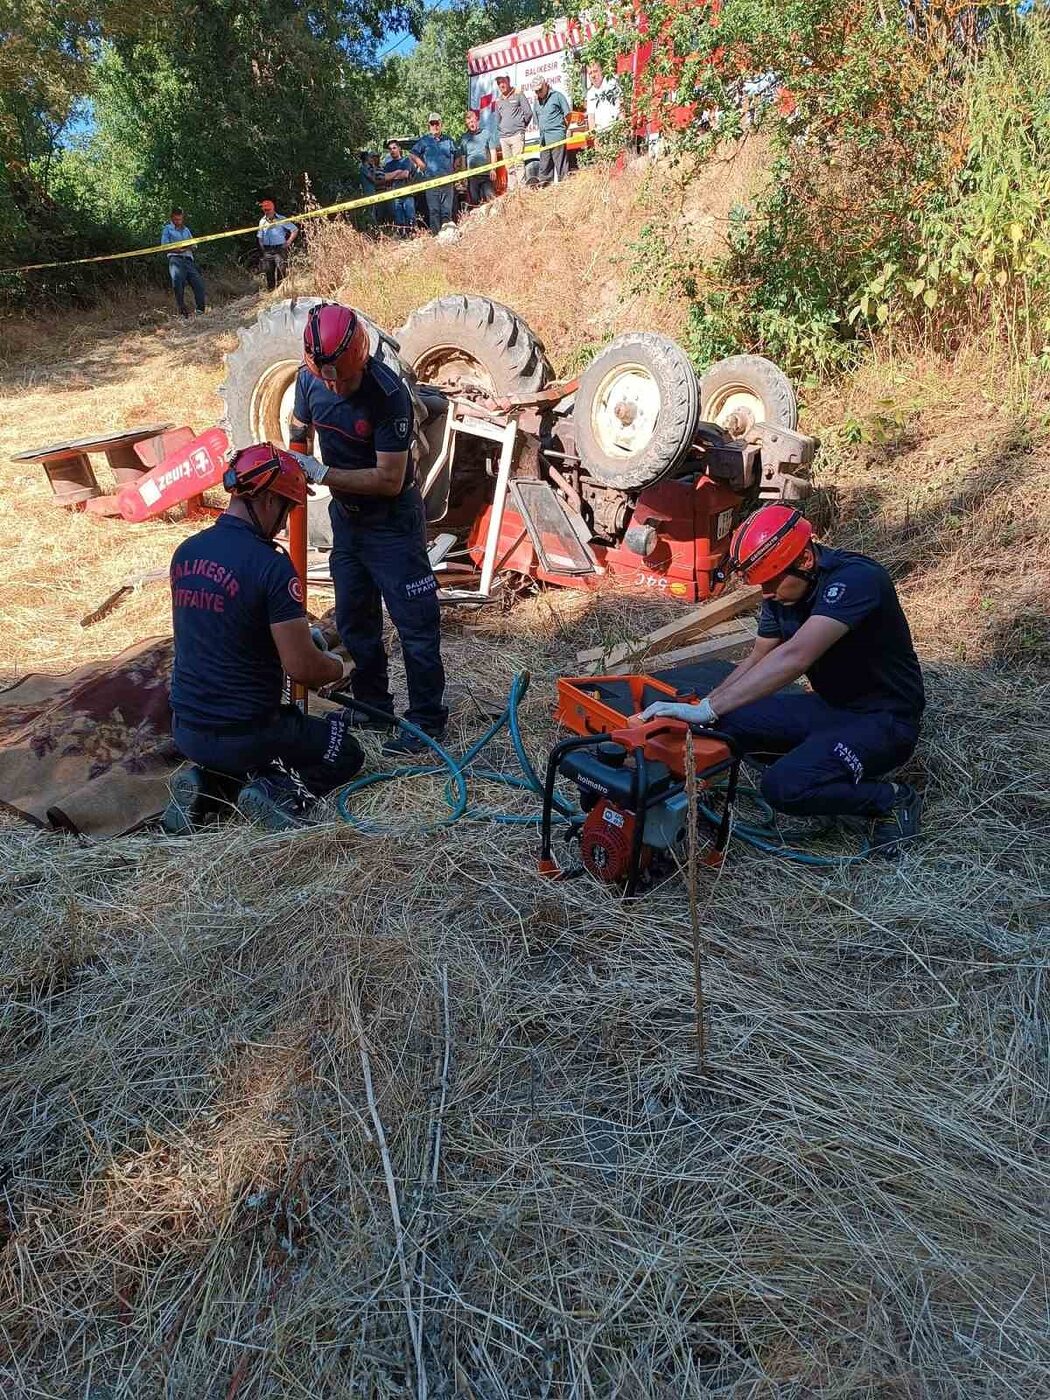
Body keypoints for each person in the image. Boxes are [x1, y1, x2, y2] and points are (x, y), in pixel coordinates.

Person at [634, 505, 925, 856]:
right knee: (727, 720)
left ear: (804, 560)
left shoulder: (857, 580)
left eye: (771, 582)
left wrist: (709, 708)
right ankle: (816, 756)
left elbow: (796, 655)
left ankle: (891, 799)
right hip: (830, 707)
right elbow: (758, 657)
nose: (766, 594)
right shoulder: (784, 590)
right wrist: (704, 709)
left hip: (885, 721)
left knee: (785, 786)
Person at [164, 443, 363, 834]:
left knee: (247, 749)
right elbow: (303, 668)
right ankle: (280, 791)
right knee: (345, 750)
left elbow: (228, 628)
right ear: (269, 499)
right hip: (247, 730)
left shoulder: (186, 552)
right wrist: (337, 665)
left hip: (186, 727)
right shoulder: (271, 566)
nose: (286, 521)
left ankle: (207, 786)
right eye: (287, 508)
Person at [287, 302, 447, 755]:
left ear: (359, 357)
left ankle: (427, 720)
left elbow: (388, 479)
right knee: (355, 618)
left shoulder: (387, 393)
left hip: (392, 524)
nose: (334, 385)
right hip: (348, 521)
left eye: (343, 377)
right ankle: (373, 703)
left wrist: (321, 474)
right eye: (327, 377)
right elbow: (298, 432)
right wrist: (293, 461)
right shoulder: (309, 379)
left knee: (416, 625)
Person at [410, 113, 457, 232]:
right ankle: (436, 237)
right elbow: (412, 154)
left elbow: (458, 155)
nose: (435, 126)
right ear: (429, 126)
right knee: (434, 211)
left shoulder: (449, 140)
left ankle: (447, 236)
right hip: (431, 182)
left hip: (447, 182)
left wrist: (456, 169)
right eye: (432, 124)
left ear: (441, 124)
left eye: (437, 123)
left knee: (447, 212)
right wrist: (422, 165)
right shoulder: (424, 141)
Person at [160, 207, 206, 317]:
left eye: (180, 219)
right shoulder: (167, 229)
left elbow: (194, 244)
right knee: (177, 283)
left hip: (188, 260)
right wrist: (177, 249)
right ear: (171, 218)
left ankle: (200, 311)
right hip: (175, 259)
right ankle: (182, 312)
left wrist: (189, 247)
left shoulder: (186, 230)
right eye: (176, 220)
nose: (178, 222)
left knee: (198, 284)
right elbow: (164, 246)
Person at [493, 73, 532, 191]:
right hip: (504, 138)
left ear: (508, 81)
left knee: (519, 163)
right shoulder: (498, 100)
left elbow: (528, 113)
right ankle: (513, 192)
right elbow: (497, 119)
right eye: (499, 83)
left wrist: (521, 126)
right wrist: (501, 129)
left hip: (517, 135)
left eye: (503, 82)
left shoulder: (518, 94)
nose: (501, 85)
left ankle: (522, 191)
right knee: (509, 166)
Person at [531, 77, 571, 186]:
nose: (538, 92)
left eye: (540, 89)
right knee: (544, 170)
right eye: (536, 91)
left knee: (562, 168)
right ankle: (545, 193)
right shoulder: (536, 102)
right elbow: (537, 121)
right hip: (544, 140)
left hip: (557, 137)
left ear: (546, 85)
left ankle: (566, 190)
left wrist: (562, 130)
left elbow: (568, 115)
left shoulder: (557, 96)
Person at [458, 108, 498, 206]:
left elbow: (493, 152)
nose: (471, 124)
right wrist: (464, 176)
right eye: (468, 123)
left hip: (486, 175)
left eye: (472, 121)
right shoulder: (464, 138)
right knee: (475, 204)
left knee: (491, 200)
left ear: (477, 120)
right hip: (472, 177)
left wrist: (493, 169)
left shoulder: (486, 134)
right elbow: (463, 158)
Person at [257, 198, 299, 290]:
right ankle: (271, 292)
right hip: (267, 250)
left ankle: (282, 291)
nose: (266, 212)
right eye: (265, 210)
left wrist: (288, 242)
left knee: (282, 270)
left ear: (273, 209)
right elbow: (260, 236)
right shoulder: (262, 221)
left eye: (268, 210)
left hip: (280, 249)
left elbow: (294, 230)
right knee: (269, 272)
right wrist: (262, 249)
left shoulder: (281, 219)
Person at [382, 141, 417, 236]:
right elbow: (385, 177)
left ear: (399, 149)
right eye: (390, 149)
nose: (392, 151)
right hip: (395, 195)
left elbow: (405, 174)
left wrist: (392, 175)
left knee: (410, 217)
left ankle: (413, 236)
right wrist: (398, 172)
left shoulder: (406, 161)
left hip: (408, 194)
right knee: (399, 219)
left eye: (394, 148)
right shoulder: (388, 165)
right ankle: (402, 237)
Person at [585, 61, 622, 134]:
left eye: (595, 71)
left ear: (601, 71)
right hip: (601, 134)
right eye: (590, 73)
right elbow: (591, 117)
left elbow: (621, 105)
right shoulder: (590, 93)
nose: (593, 75)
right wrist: (594, 137)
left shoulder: (612, 83)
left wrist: (623, 128)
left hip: (617, 130)